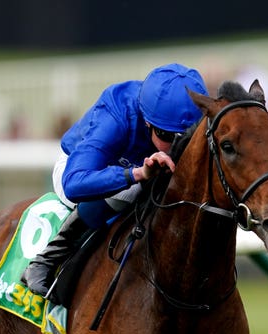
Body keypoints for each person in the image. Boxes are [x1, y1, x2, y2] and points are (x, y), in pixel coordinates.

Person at [22, 63, 209, 297]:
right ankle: (45, 261)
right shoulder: (116, 115)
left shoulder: (181, 118)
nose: (176, 147)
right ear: (147, 123)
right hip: (80, 170)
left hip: (134, 171)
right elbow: (75, 183)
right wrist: (136, 174)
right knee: (133, 190)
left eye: (186, 138)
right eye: (166, 136)